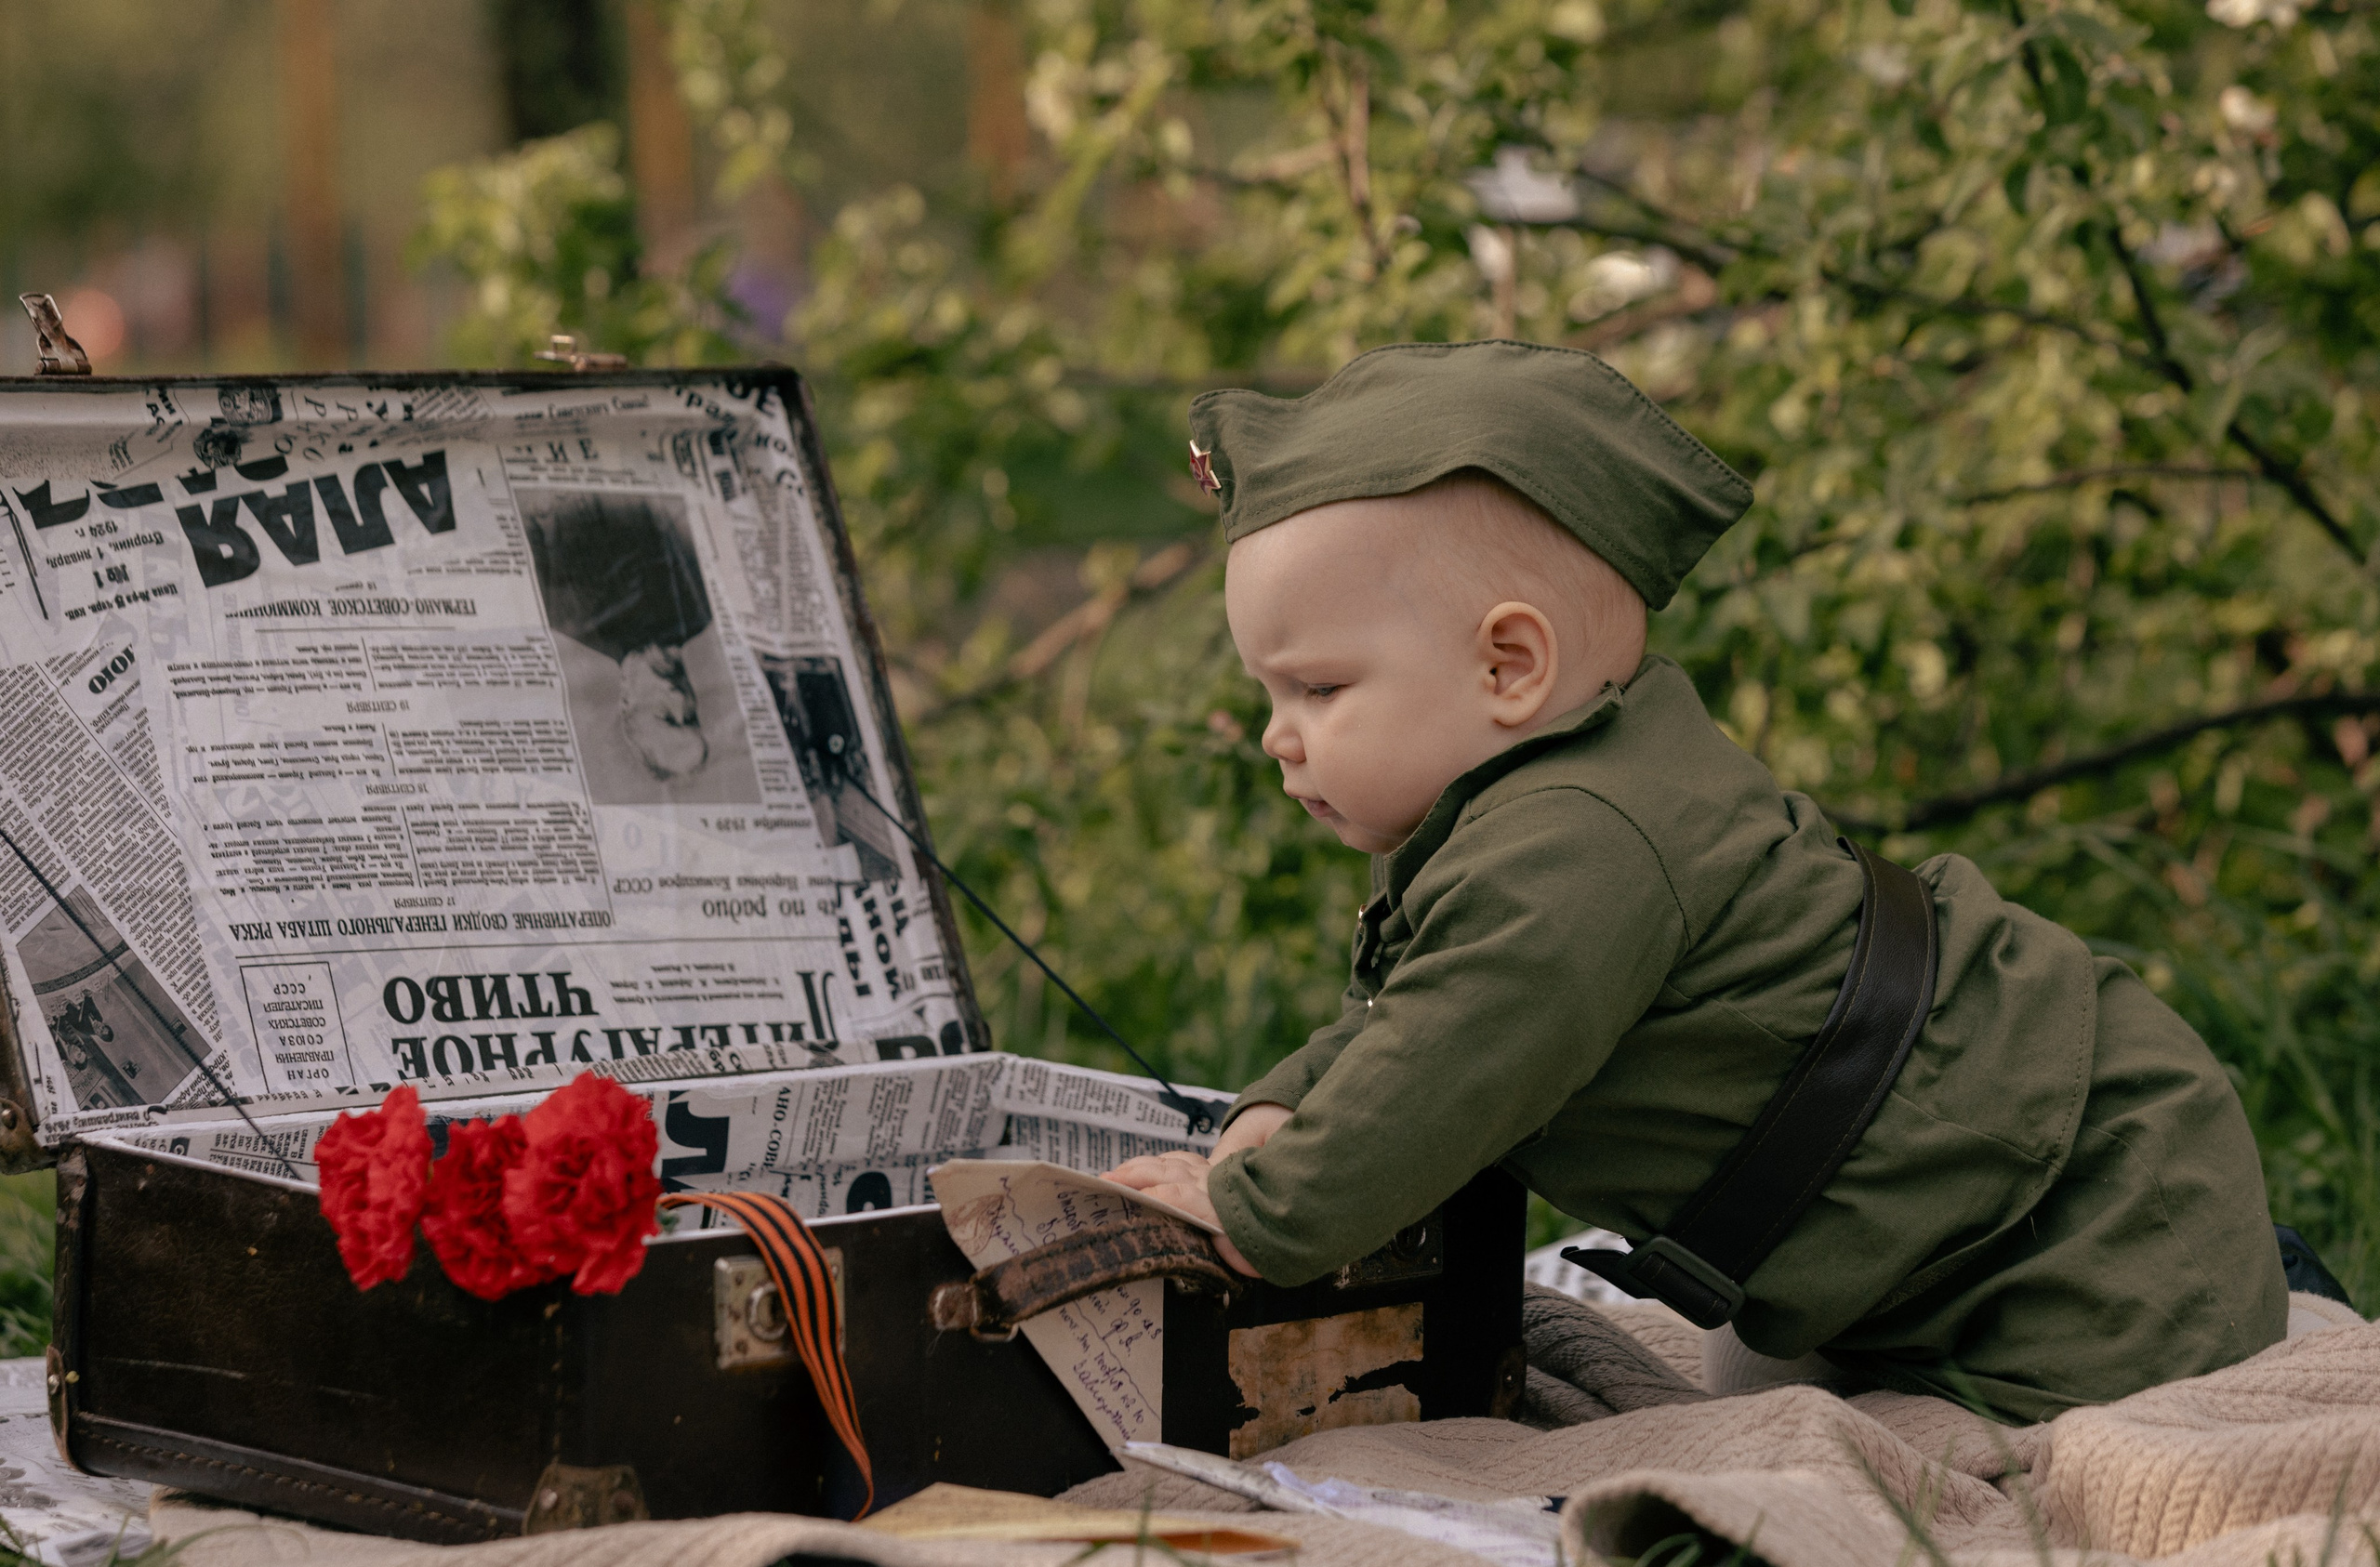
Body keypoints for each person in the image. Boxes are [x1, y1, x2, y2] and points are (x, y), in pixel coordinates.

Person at [1104, 339, 2288, 1422]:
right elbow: (1405, 1014)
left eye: (1316, 689)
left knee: (1984, 1463)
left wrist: (1259, 1214)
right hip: (1956, 1205)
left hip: (2081, 1230)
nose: (1277, 734)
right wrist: (1278, 1107)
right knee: (1766, 1377)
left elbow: (1441, 1065)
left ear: (1509, 667)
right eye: (1269, 696)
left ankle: (2206, 1341)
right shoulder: (1556, 795)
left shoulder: (1572, 854)